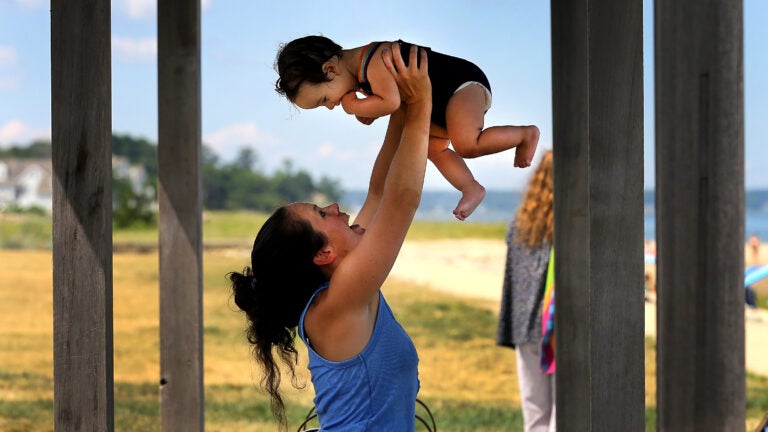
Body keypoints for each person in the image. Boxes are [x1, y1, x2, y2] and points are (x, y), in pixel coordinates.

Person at [229, 44, 431, 431]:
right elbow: (401, 202)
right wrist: (422, 105)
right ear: (322, 253)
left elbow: (379, 193)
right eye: (323, 215)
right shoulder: (340, 302)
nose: (337, 207)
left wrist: (401, 109)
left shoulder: (345, 280)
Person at [274, 35, 540, 221]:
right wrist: (371, 111)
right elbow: (391, 99)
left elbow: (390, 101)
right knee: (433, 148)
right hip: (436, 101)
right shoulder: (363, 75)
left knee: (467, 144)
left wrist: (356, 107)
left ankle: (525, 134)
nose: (331, 106)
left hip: (460, 86)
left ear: (331, 69)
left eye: (323, 100)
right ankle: (470, 187)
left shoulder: (374, 59)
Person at [496, 150, 555, 432]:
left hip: (524, 325)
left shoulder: (522, 224)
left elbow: (513, 278)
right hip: (555, 325)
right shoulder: (573, 224)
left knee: (534, 413)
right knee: (563, 413)